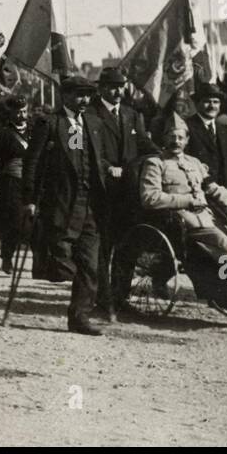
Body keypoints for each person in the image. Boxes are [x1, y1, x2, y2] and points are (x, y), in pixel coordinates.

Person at [136, 113, 227, 300]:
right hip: (181, 220)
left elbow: (212, 187)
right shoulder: (155, 164)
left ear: (186, 140)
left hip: (209, 216)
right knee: (221, 242)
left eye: (180, 137)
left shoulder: (194, 163)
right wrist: (186, 201)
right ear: (164, 138)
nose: (175, 141)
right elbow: (150, 197)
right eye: (171, 136)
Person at [22, 76, 107, 336]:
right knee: (62, 255)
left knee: (91, 264)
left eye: (88, 95)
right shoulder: (50, 123)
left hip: (90, 202)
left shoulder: (93, 123)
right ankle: (52, 269)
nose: (84, 100)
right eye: (79, 95)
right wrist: (29, 199)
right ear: (65, 96)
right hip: (60, 201)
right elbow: (32, 163)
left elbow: (96, 159)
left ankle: (79, 317)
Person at [87, 66, 155, 319]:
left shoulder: (131, 114)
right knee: (104, 248)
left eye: (122, 86)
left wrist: (164, 158)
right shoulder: (91, 114)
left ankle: (121, 296)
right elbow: (88, 150)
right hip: (103, 190)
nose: (118, 91)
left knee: (128, 246)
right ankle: (104, 301)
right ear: (102, 88)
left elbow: (144, 144)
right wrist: (107, 168)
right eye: (113, 86)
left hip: (128, 192)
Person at [0, 97, 34, 274]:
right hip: (12, 181)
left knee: (33, 221)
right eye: (18, 112)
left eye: (24, 111)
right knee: (14, 222)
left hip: (32, 181)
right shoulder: (3, 132)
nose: (21, 115)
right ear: (11, 112)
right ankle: (7, 257)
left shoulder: (34, 131)